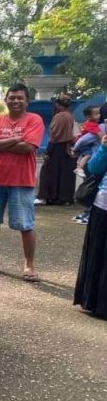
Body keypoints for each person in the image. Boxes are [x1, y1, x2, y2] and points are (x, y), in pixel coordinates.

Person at [0, 83, 45, 282]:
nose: (15, 101)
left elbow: (28, 148)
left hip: (22, 180)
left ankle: (29, 265)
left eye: (20, 98)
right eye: (11, 97)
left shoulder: (34, 120)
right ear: (6, 100)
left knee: (25, 224)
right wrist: (15, 139)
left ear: (27, 101)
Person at [73, 131, 107, 318]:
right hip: (102, 203)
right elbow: (94, 168)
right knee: (97, 253)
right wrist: (104, 148)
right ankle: (94, 302)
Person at [37, 94, 76, 206]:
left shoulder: (60, 116)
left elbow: (55, 135)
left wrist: (48, 150)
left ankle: (50, 196)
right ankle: (63, 197)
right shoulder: (70, 115)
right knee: (64, 173)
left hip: (57, 148)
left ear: (58, 104)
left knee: (49, 172)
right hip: (67, 147)